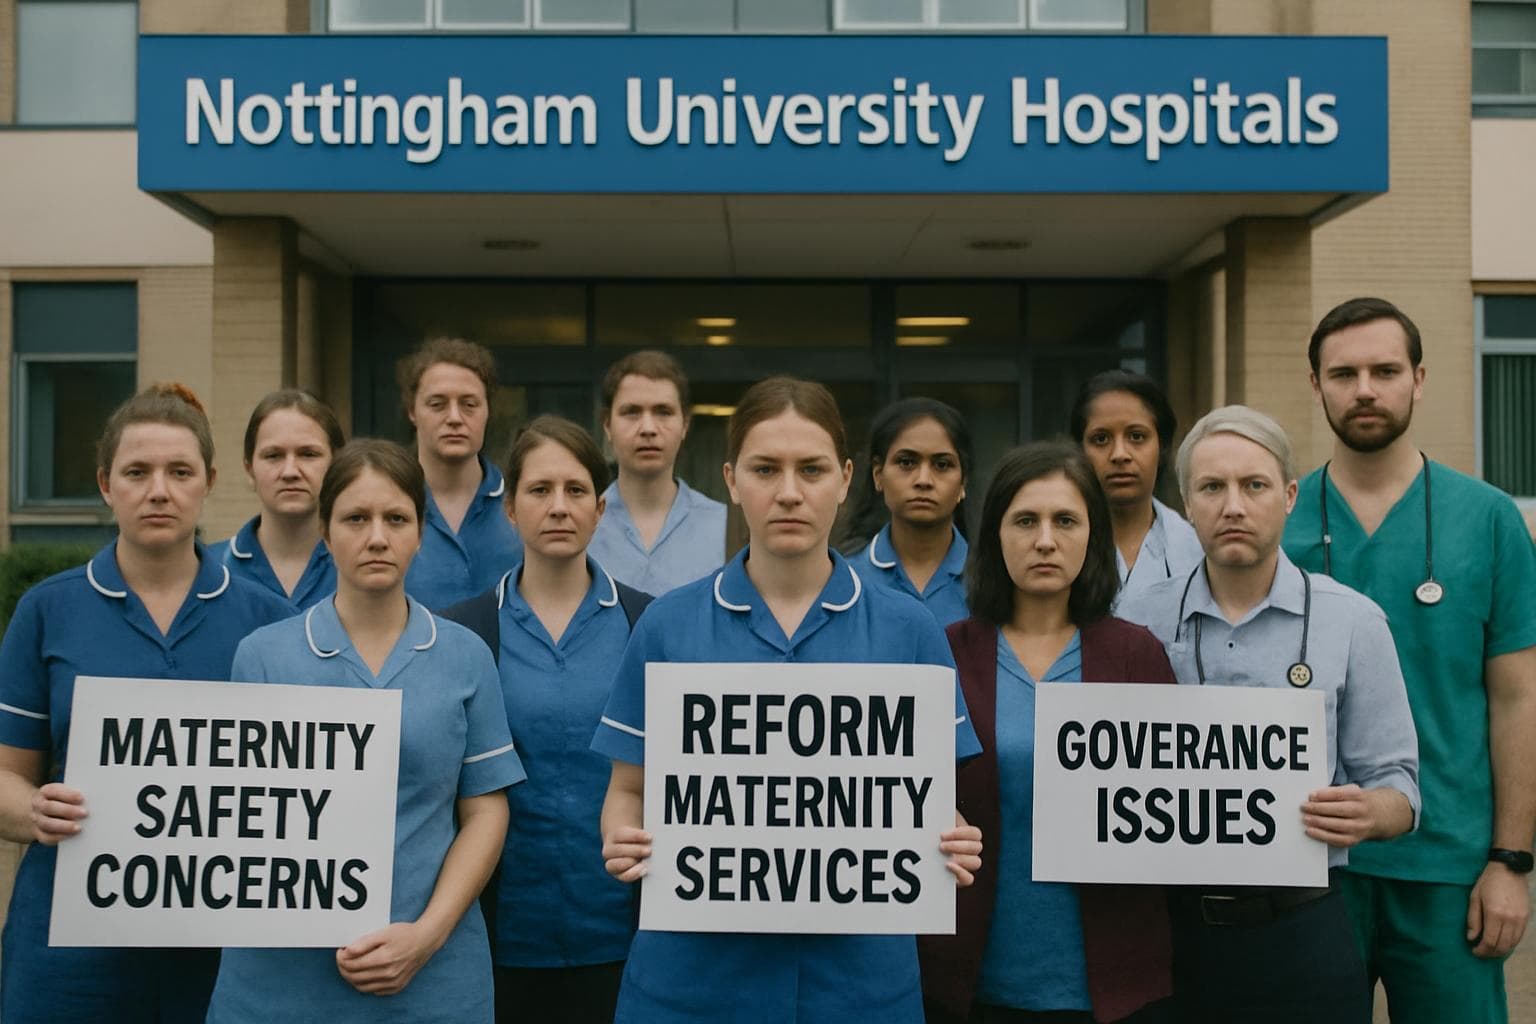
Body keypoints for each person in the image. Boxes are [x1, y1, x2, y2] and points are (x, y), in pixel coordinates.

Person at [591, 376, 984, 1024]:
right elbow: (627, 791)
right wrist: (621, 836)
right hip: (692, 983)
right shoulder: (667, 624)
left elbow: (931, 803)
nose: (790, 492)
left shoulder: (909, 628)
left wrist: (952, 841)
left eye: (812, 469)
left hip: (859, 986)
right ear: (732, 479)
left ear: (848, 478)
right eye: (766, 469)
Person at [1117, 405, 1421, 1024]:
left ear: (1287, 497)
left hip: (1302, 934)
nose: (1233, 505)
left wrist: (1369, 811)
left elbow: (1402, 788)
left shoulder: (1354, 621)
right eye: (1212, 487)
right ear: (1187, 501)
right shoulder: (1132, 618)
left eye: (1253, 486)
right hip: (1165, 936)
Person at [0, 383, 293, 1024]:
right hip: (69, 949)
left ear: (209, 481)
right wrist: (32, 811)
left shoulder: (270, 619)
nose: (159, 490)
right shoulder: (48, 610)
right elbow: (7, 776)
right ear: (106, 484)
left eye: (179, 472)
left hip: (224, 947)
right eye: (138, 472)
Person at [1281, 297, 1536, 1024]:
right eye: (1345, 373)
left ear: (1419, 379)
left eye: (1385, 370)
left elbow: (1519, 698)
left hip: (1448, 869)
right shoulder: (1279, 523)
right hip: (1308, 870)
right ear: (1315, 384)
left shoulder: (1488, 519)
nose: (1365, 389)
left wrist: (1511, 861)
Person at [209, 439, 524, 1022]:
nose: (376, 537)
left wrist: (425, 937)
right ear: (325, 533)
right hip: (280, 983)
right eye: (356, 518)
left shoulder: (465, 655)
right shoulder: (263, 656)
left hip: (433, 975)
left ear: (420, 532)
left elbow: (485, 809)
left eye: (396, 518)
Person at [919, 441, 1177, 1024]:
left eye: (1066, 521)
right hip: (968, 978)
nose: (1044, 540)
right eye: (1025, 521)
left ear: (1093, 535)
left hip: (1115, 983)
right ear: (994, 536)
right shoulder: (944, 653)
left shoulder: (1136, 653)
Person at [443, 416, 651, 1024]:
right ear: (509, 508)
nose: (558, 507)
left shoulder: (649, 626)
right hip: (499, 934)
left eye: (576, 490)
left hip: (625, 930)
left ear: (601, 508)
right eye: (539, 491)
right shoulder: (462, 632)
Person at [398, 337, 523, 609]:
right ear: (412, 412)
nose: (454, 417)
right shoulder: (384, 505)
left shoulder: (521, 504)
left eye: (469, 404)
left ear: (488, 410)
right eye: (437, 404)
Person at [588, 350, 726, 595]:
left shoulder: (724, 527)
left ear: (685, 424)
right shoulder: (579, 525)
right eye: (631, 412)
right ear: (607, 426)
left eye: (663, 412)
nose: (648, 428)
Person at [1069, 371, 1202, 606]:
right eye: (1101, 439)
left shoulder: (1199, 550)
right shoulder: (1055, 545)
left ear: (1162, 447)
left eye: (1137, 436)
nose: (1120, 454)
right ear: (1080, 450)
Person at [209, 388, 346, 608]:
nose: (290, 471)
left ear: (336, 464)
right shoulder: (210, 570)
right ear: (249, 469)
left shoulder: (361, 566)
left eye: (308, 454)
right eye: (273, 456)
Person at [843, 397, 973, 628]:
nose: (923, 480)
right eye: (906, 462)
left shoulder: (994, 581)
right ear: (878, 475)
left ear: (963, 482)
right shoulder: (844, 578)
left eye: (942, 465)